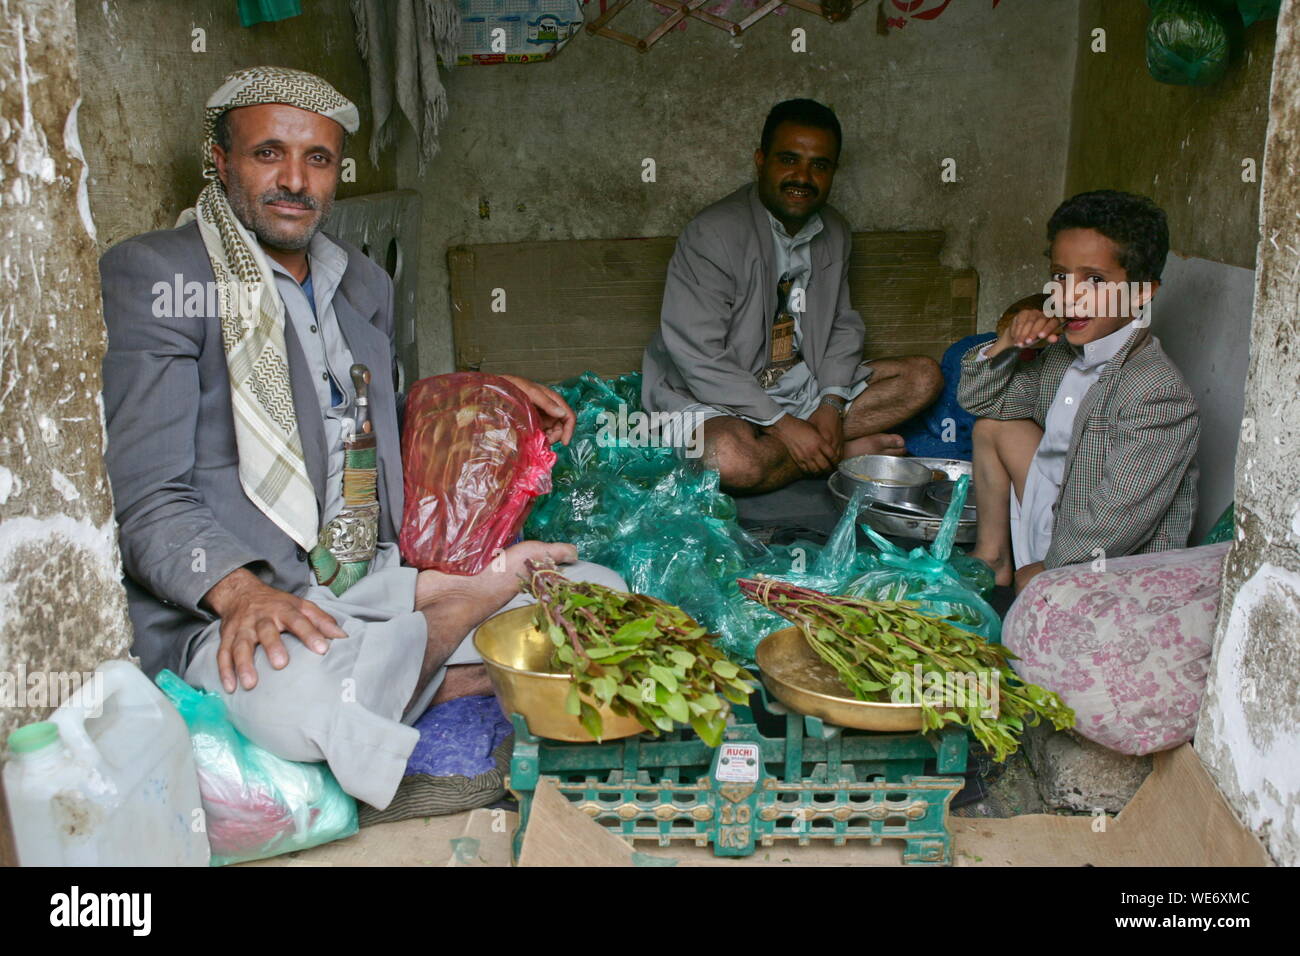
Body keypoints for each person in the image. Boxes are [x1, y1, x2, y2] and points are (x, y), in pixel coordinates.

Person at [99, 67, 616, 812]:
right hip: (261, 602)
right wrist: (240, 592)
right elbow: (146, 496)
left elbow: (361, 422)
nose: (294, 180)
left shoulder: (361, 281)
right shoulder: (159, 275)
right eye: (267, 153)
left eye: (317, 160)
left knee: (601, 603)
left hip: (376, 587)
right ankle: (461, 628)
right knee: (297, 705)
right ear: (219, 160)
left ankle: (411, 668)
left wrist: (488, 395)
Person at [641, 98, 942, 495]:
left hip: (803, 388)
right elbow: (699, 357)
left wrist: (831, 405)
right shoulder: (713, 234)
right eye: (789, 159)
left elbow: (842, 324)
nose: (803, 176)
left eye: (819, 165)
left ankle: (810, 446)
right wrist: (783, 424)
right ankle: (837, 455)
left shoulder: (834, 230)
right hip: (714, 398)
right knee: (727, 460)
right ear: (761, 160)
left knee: (922, 378)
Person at [959, 190, 1200, 594]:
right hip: (1056, 516)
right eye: (1059, 276)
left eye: (1095, 280)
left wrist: (1047, 570)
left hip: (1108, 569)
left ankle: (1027, 573)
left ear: (1142, 293)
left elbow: (1115, 522)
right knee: (992, 427)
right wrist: (1007, 345)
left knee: (1035, 610)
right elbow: (982, 403)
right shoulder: (1062, 354)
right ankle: (994, 557)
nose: (1069, 296)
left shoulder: (1157, 392)